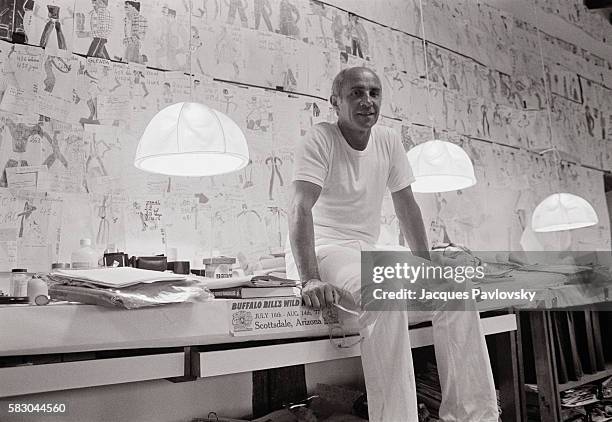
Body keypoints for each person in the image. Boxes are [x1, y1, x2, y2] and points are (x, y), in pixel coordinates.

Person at [286, 66, 499, 421]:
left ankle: (474, 416)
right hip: (325, 248)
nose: (367, 101)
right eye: (356, 93)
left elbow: (407, 208)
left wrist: (427, 265)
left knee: (455, 287)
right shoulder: (320, 139)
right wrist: (309, 278)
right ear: (335, 101)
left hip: (367, 248)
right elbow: (299, 207)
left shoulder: (388, 139)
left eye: (374, 92)